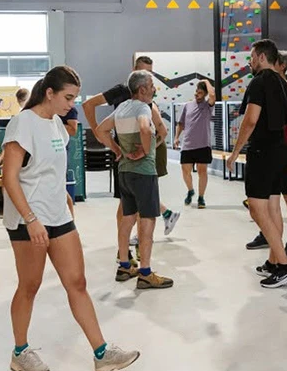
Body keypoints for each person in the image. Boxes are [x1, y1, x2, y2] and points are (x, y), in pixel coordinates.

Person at [3, 66, 140, 371]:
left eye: (75, 98)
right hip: (29, 220)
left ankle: (102, 353)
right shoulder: (22, 124)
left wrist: (64, 203)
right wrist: (31, 219)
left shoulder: (55, 123)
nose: (71, 104)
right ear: (49, 93)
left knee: (77, 282)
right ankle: (20, 352)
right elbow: (9, 179)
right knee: (30, 285)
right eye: (67, 97)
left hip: (58, 216)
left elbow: (50, 172)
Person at [82, 56, 180, 261]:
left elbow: (160, 128)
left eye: (151, 76)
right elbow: (89, 106)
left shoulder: (138, 104)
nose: (151, 84)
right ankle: (135, 260)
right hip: (132, 158)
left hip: (132, 158)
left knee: (134, 206)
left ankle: (127, 256)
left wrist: (114, 143)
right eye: (147, 78)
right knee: (135, 210)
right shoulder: (127, 98)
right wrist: (109, 142)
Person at [226, 39, 287, 288]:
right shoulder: (281, 82)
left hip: (263, 151)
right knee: (272, 208)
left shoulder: (258, 82)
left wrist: (236, 151)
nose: (250, 61)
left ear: (261, 57)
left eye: (252, 56)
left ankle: (285, 266)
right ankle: (274, 262)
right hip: (278, 150)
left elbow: (250, 120)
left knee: (257, 209)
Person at [95, 70, 174, 289]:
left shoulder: (121, 108)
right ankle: (145, 273)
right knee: (147, 220)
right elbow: (143, 127)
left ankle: (124, 265)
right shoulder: (142, 107)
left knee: (127, 218)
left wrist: (117, 150)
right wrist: (144, 150)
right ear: (142, 89)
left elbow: (101, 130)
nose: (154, 89)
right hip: (143, 173)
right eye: (151, 85)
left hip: (125, 172)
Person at [244, 53, 287, 259]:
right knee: (269, 202)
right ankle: (271, 245)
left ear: (281, 65)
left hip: (283, 151)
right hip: (268, 152)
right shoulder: (264, 85)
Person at [173, 80, 215, 209]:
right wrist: (176, 138)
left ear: (205, 94)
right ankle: (190, 190)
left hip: (203, 144)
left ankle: (201, 197)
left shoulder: (208, 106)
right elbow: (180, 123)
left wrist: (206, 81)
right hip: (188, 145)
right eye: (196, 91)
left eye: (200, 92)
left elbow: (213, 95)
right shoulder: (187, 105)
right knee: (185, 171)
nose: (197, 93)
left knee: (202, 172)